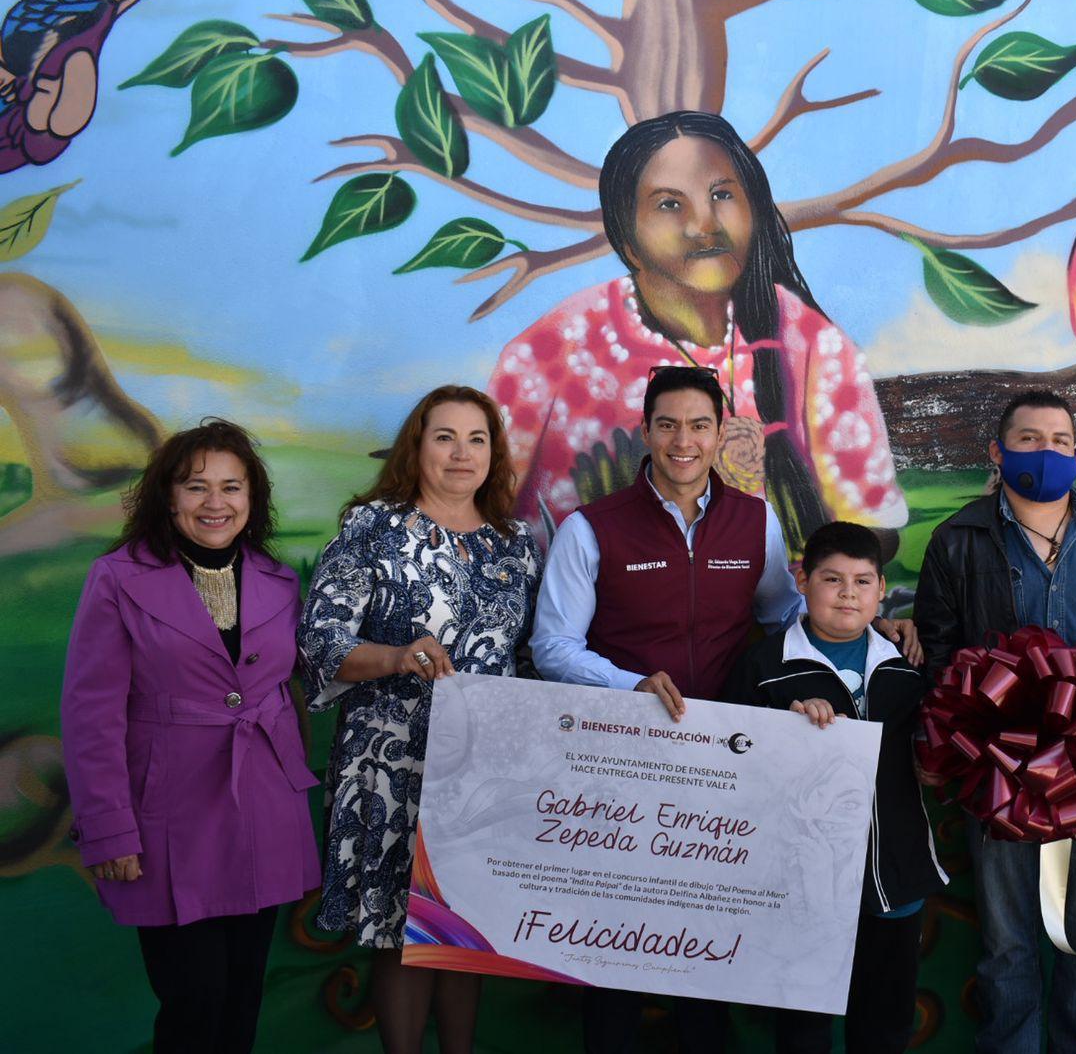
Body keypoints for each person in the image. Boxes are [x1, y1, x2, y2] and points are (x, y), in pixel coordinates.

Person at [532, 365, 917, 1052]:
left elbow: (783, 613)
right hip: (624, 759)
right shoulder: (590, 529)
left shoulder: (755, 518)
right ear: (646, 432)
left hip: (728, 768)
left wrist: (866, 623)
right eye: (669, 424)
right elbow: (552, 645)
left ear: (720, 434)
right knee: (614, 942)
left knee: (710, 942)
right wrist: (627, 686)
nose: (685, 440)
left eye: (700, 425)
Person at [487, 109, 907, 556]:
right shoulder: (551, 350)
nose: (704, 224)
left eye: (722, 194)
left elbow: (872, 528)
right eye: (669, 203)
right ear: (625, 236)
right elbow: (478, 512)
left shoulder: (814, 347)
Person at [913, 390, 1076, 1053]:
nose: (1045, 451)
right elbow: (940, 654)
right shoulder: (958, 540)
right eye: (1027, 439)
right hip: (997, 777)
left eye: (1059, 439)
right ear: (997, 453)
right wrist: (953, 753)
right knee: (1003, 948)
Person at [59, 418, 320, 1053]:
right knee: (192, 1003)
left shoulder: (281, 581)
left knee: (241, 1001)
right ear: (168, 496)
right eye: (197, 486)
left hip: (264, 812)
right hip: (166, 818)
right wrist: (109, 827)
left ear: (251, 499)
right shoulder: (117, 578)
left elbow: (291, 691)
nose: (215, 503)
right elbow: (90, 715)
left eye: (232, 487)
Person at [297, 386, 544, 1054]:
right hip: (389, 766)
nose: (461, 454)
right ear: (418, 445)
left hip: (483, 774)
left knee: (462, 932)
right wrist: (397, 656)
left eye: (477, 439)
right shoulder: (372, 527)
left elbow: (528, 659)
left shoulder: (514, 544)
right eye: (445, 437)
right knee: (396, 932)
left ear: (495, 454)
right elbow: (320, 640)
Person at [723, 520, 948, 1053]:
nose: (848, 594)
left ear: (880, 588)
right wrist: (789, 733)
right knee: (803, 1029)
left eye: (863, 582)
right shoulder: (765, 667)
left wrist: (937, 764)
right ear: (802, 580)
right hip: (801, 885)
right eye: (832, 580)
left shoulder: (910, 664)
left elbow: (935, 744)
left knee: (887, 1024)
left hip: (895, 873)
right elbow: (734, 769)